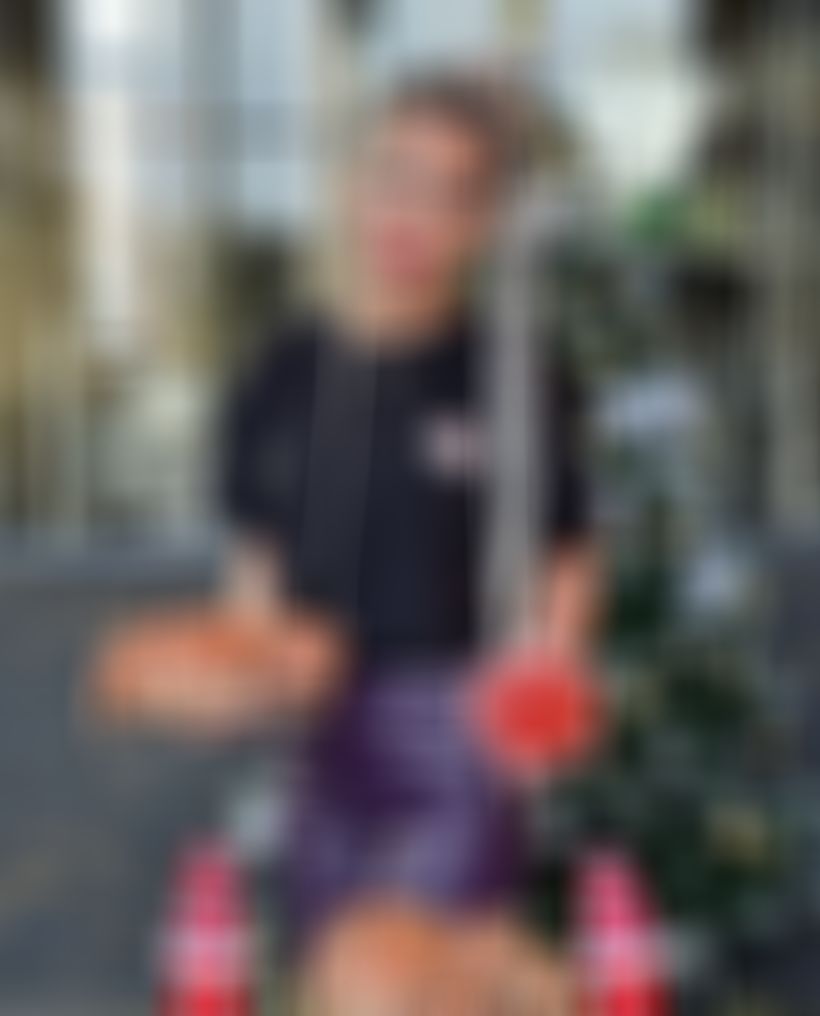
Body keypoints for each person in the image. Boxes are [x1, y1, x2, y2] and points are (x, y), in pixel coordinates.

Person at [100, 70, 601, 1013]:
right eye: (396, 177)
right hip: (323, 741)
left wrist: (551, 678)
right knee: (333, 982)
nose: (413, 214)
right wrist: (234, 676)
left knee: (404, 986)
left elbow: (565, 554)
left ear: (482, 225)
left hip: (455, 736)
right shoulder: (282, 373)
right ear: (353, 186)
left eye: (451, 194)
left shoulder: (512, 376)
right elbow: (257, 576)